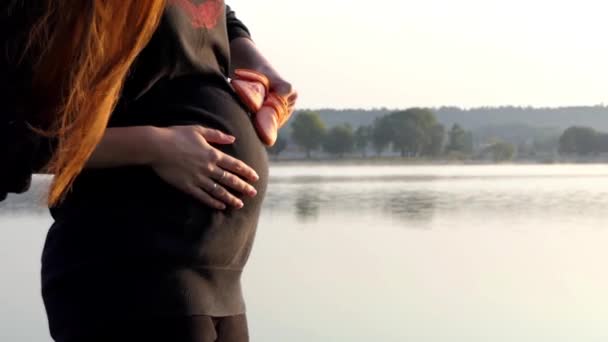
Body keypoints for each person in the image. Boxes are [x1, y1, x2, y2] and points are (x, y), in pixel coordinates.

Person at [0, 1, 297, 341]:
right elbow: (13, 143)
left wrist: (261, 69)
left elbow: (216, 17)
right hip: (130, 279)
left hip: (218, 283)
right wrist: (156, 145)